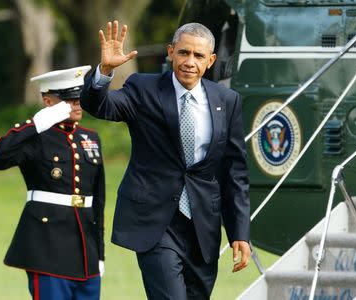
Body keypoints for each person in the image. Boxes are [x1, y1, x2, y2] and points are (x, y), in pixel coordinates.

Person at [81, 20, 251, 299]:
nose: (189, 62)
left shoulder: (227, 100)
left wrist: (239, 233)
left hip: (202, 227)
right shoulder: (142, 88)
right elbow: (102, 107)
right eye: (183, 53)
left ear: (210, 60)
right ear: (171, 52)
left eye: (198, 56)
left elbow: (235, 172)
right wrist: (104, 73)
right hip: (155, 222)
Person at [0, 66, 105, 300]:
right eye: (69, 99)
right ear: (49, 101)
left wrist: (99, 254)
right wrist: (34, 125)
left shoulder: (90, 137)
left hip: (85, 249)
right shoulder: (34, 137)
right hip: (47, 246)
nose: (77, 104)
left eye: (80, 97)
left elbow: (98, 200)